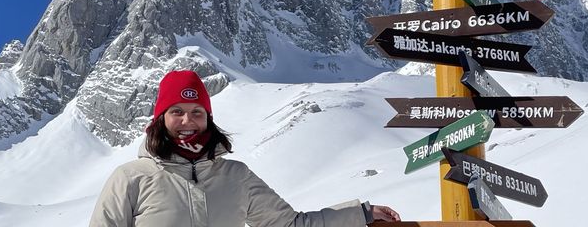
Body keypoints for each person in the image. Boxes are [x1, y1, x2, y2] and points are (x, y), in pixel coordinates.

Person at [90, 70, 401, 226]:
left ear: (209, 119)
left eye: (198, 112)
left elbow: (290, 225)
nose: (188, 120)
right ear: (160, 119)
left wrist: (360, 214)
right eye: (177, 112)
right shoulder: (131, 178)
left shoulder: (235, 176)